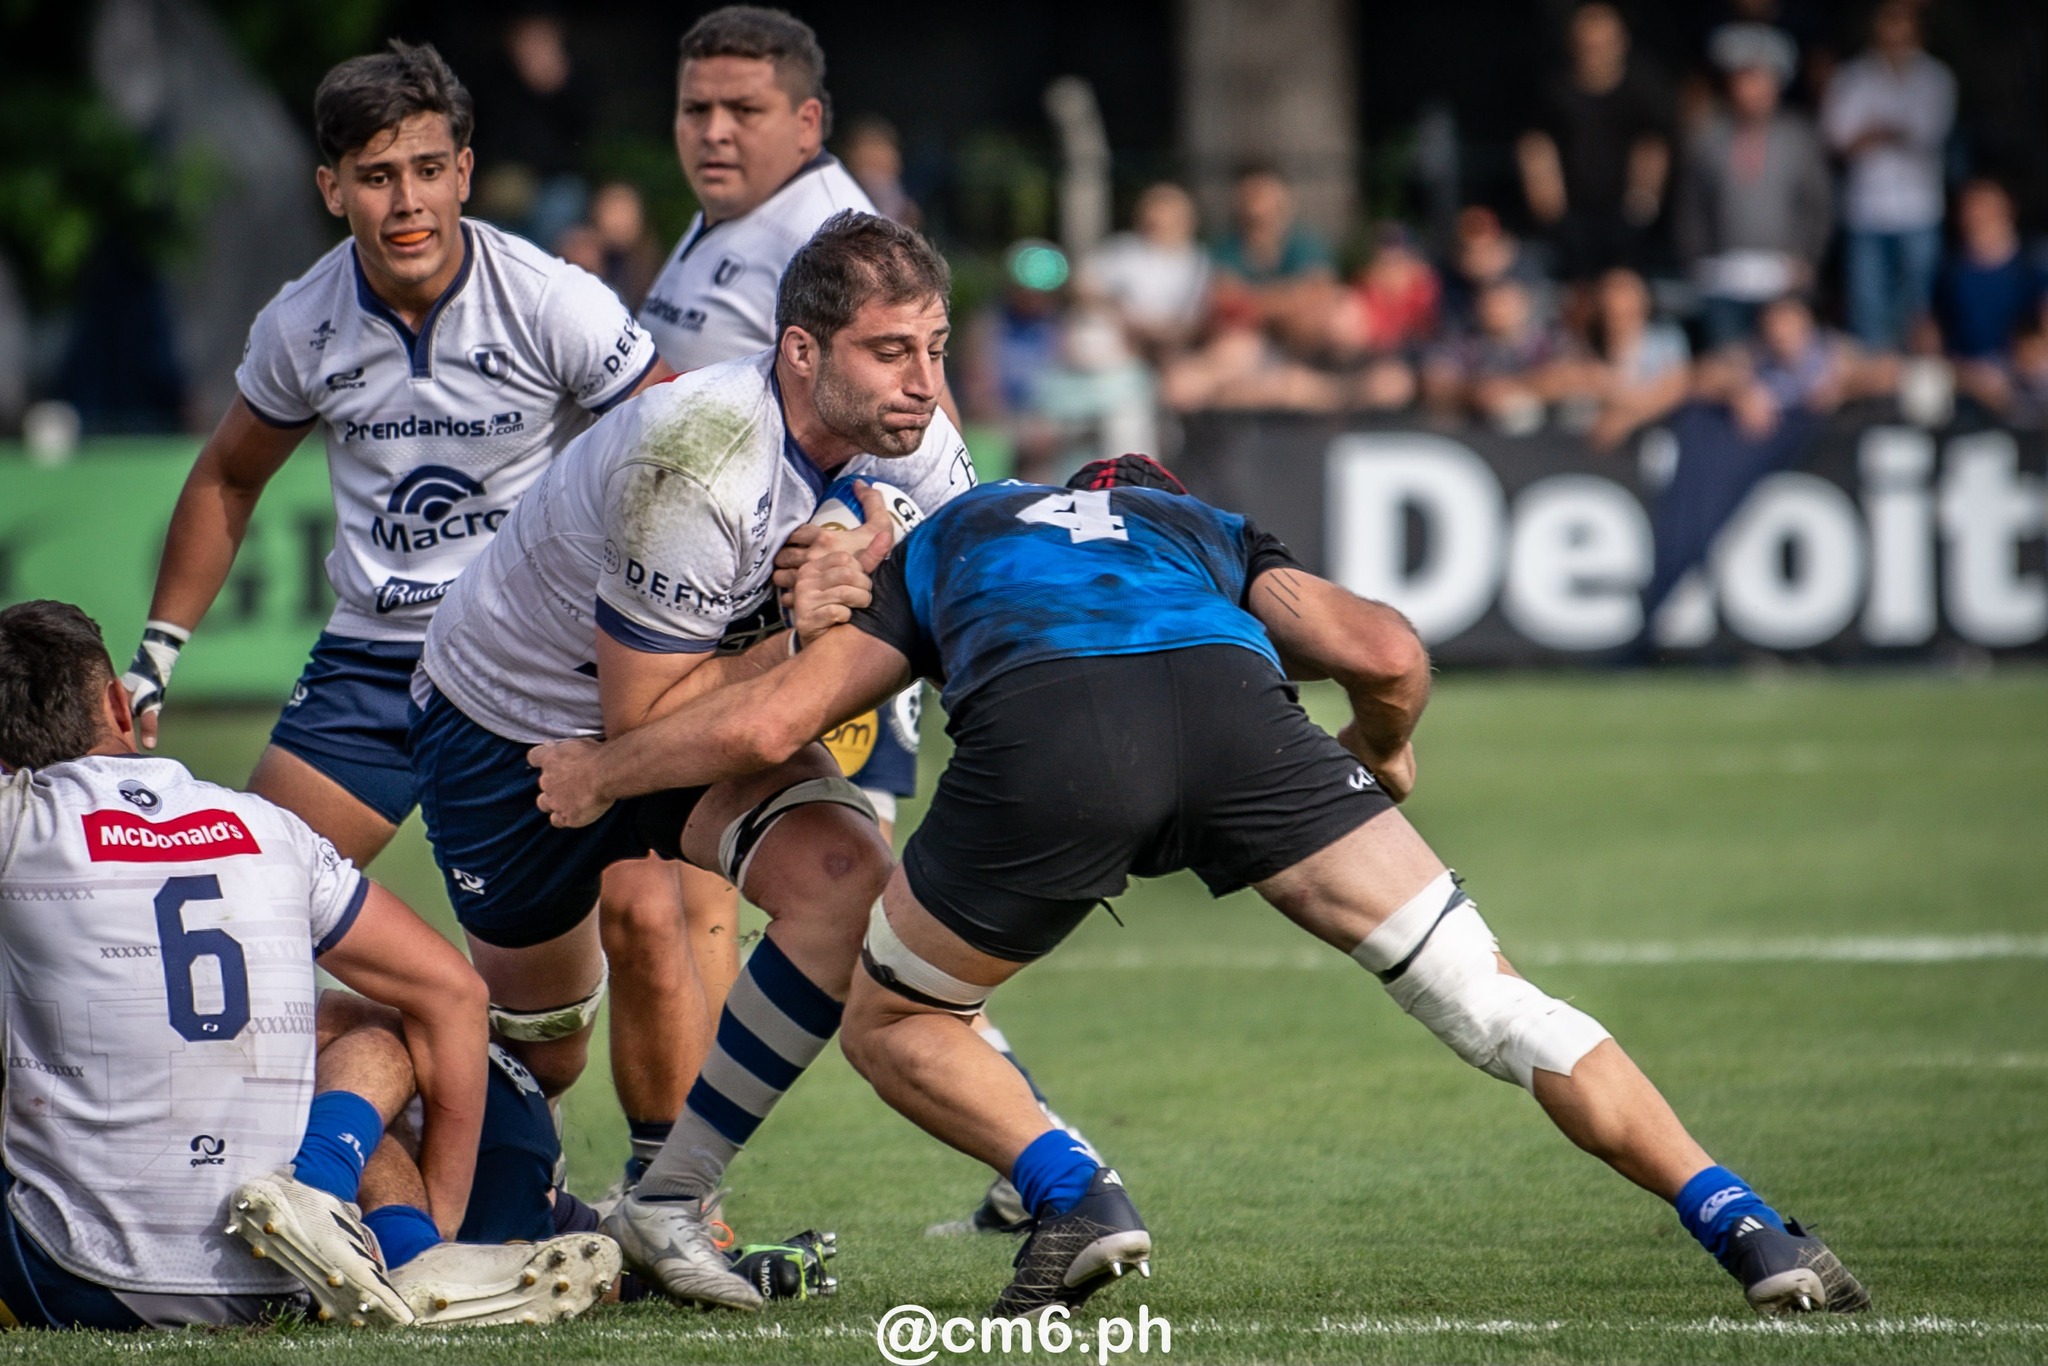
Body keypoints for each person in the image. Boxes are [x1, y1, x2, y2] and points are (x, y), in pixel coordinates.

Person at [528, 453, 1873, 1322]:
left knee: (898, 1016)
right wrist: (1380, 753)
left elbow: (784, 723)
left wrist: (611, 768)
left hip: (1054, 741)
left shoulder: (961, 528)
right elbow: (1384, 646)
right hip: (1241, 721)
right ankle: (1752, 1227)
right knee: (1495, 1001)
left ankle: (1076, 1191)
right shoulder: (1191, 523)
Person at [409, 211, 973, 1309]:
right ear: (802, 352)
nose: (922, 382)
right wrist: (810, 634)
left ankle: (667, 1201)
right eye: (891, 351)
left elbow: (968, 601)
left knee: (842, 890)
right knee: (548, 1043)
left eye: (936, 348)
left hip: (663, 725)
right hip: (510, 730)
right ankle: (434, 1178)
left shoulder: (917, 441)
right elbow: (641, 726)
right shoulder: (696, 456)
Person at [119, 40, 684, 1133]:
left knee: (550, 1049)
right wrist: (155, 656)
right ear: (332, 190)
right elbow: (228, 477)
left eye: (429, 169)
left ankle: (640, 1190)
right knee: (232, 909)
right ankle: (306, 1134)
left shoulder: (551, 301)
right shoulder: (301, 321)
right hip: (375, 667)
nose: (408, 201)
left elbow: (677, 447)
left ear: (465, 172)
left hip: (530, 678)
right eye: (377, 177)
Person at [0, 600, 617, 1331]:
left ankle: (331, 1198)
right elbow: (452, 993)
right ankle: (407, 1244)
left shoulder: (18, 823)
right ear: (116, 705)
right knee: (365, 1025)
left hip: (81, 1278)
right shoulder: (268, 826)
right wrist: (444, 1221)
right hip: (276, 1287)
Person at [1674, 25, 1832, 349]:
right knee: (1727, 363)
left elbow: (1819, 204)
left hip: (1782, 277)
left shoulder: (1798, 137)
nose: (1752, 90)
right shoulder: (1708, 138)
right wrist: (1697, 259)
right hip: (1722, 275)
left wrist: (1807, 258)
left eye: (1761, 79)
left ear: (1777, 84)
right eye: (1743, 79)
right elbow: (1690, 204)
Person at [1820, 1, 1955, 352]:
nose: (1896, 30)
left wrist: (1873, 131)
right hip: (1866, 208)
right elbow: (1838, 139)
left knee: (1918, 307)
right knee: (1867, 307)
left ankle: (1915, 389)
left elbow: (1928, 133)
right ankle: (1876, 391)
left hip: (1919, 209)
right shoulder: (1851, 77)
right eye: (1889, 21)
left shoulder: (1936, 77)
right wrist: (1892, 132)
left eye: (1904, 22)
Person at [1517, 4, 1674, 282]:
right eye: (1588, 45)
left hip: (1627, 216)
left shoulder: (1643, 88)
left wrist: (1641, 206)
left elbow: (1653, 147)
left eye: (1604, 44)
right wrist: (1551, 210)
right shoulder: (1554, 91)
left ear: (1621, 42)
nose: (1596, 53)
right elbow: (1536, 148)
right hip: (1570, 216)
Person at [1082, 182, 1212, 361]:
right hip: (1117, 337)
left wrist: (1159, 332)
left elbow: (1196, 320)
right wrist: (1118, 313)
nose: (1158, 218)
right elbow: (1084, 287)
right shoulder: (1122, 249)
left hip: (1174, 346)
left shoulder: (1200, 262)